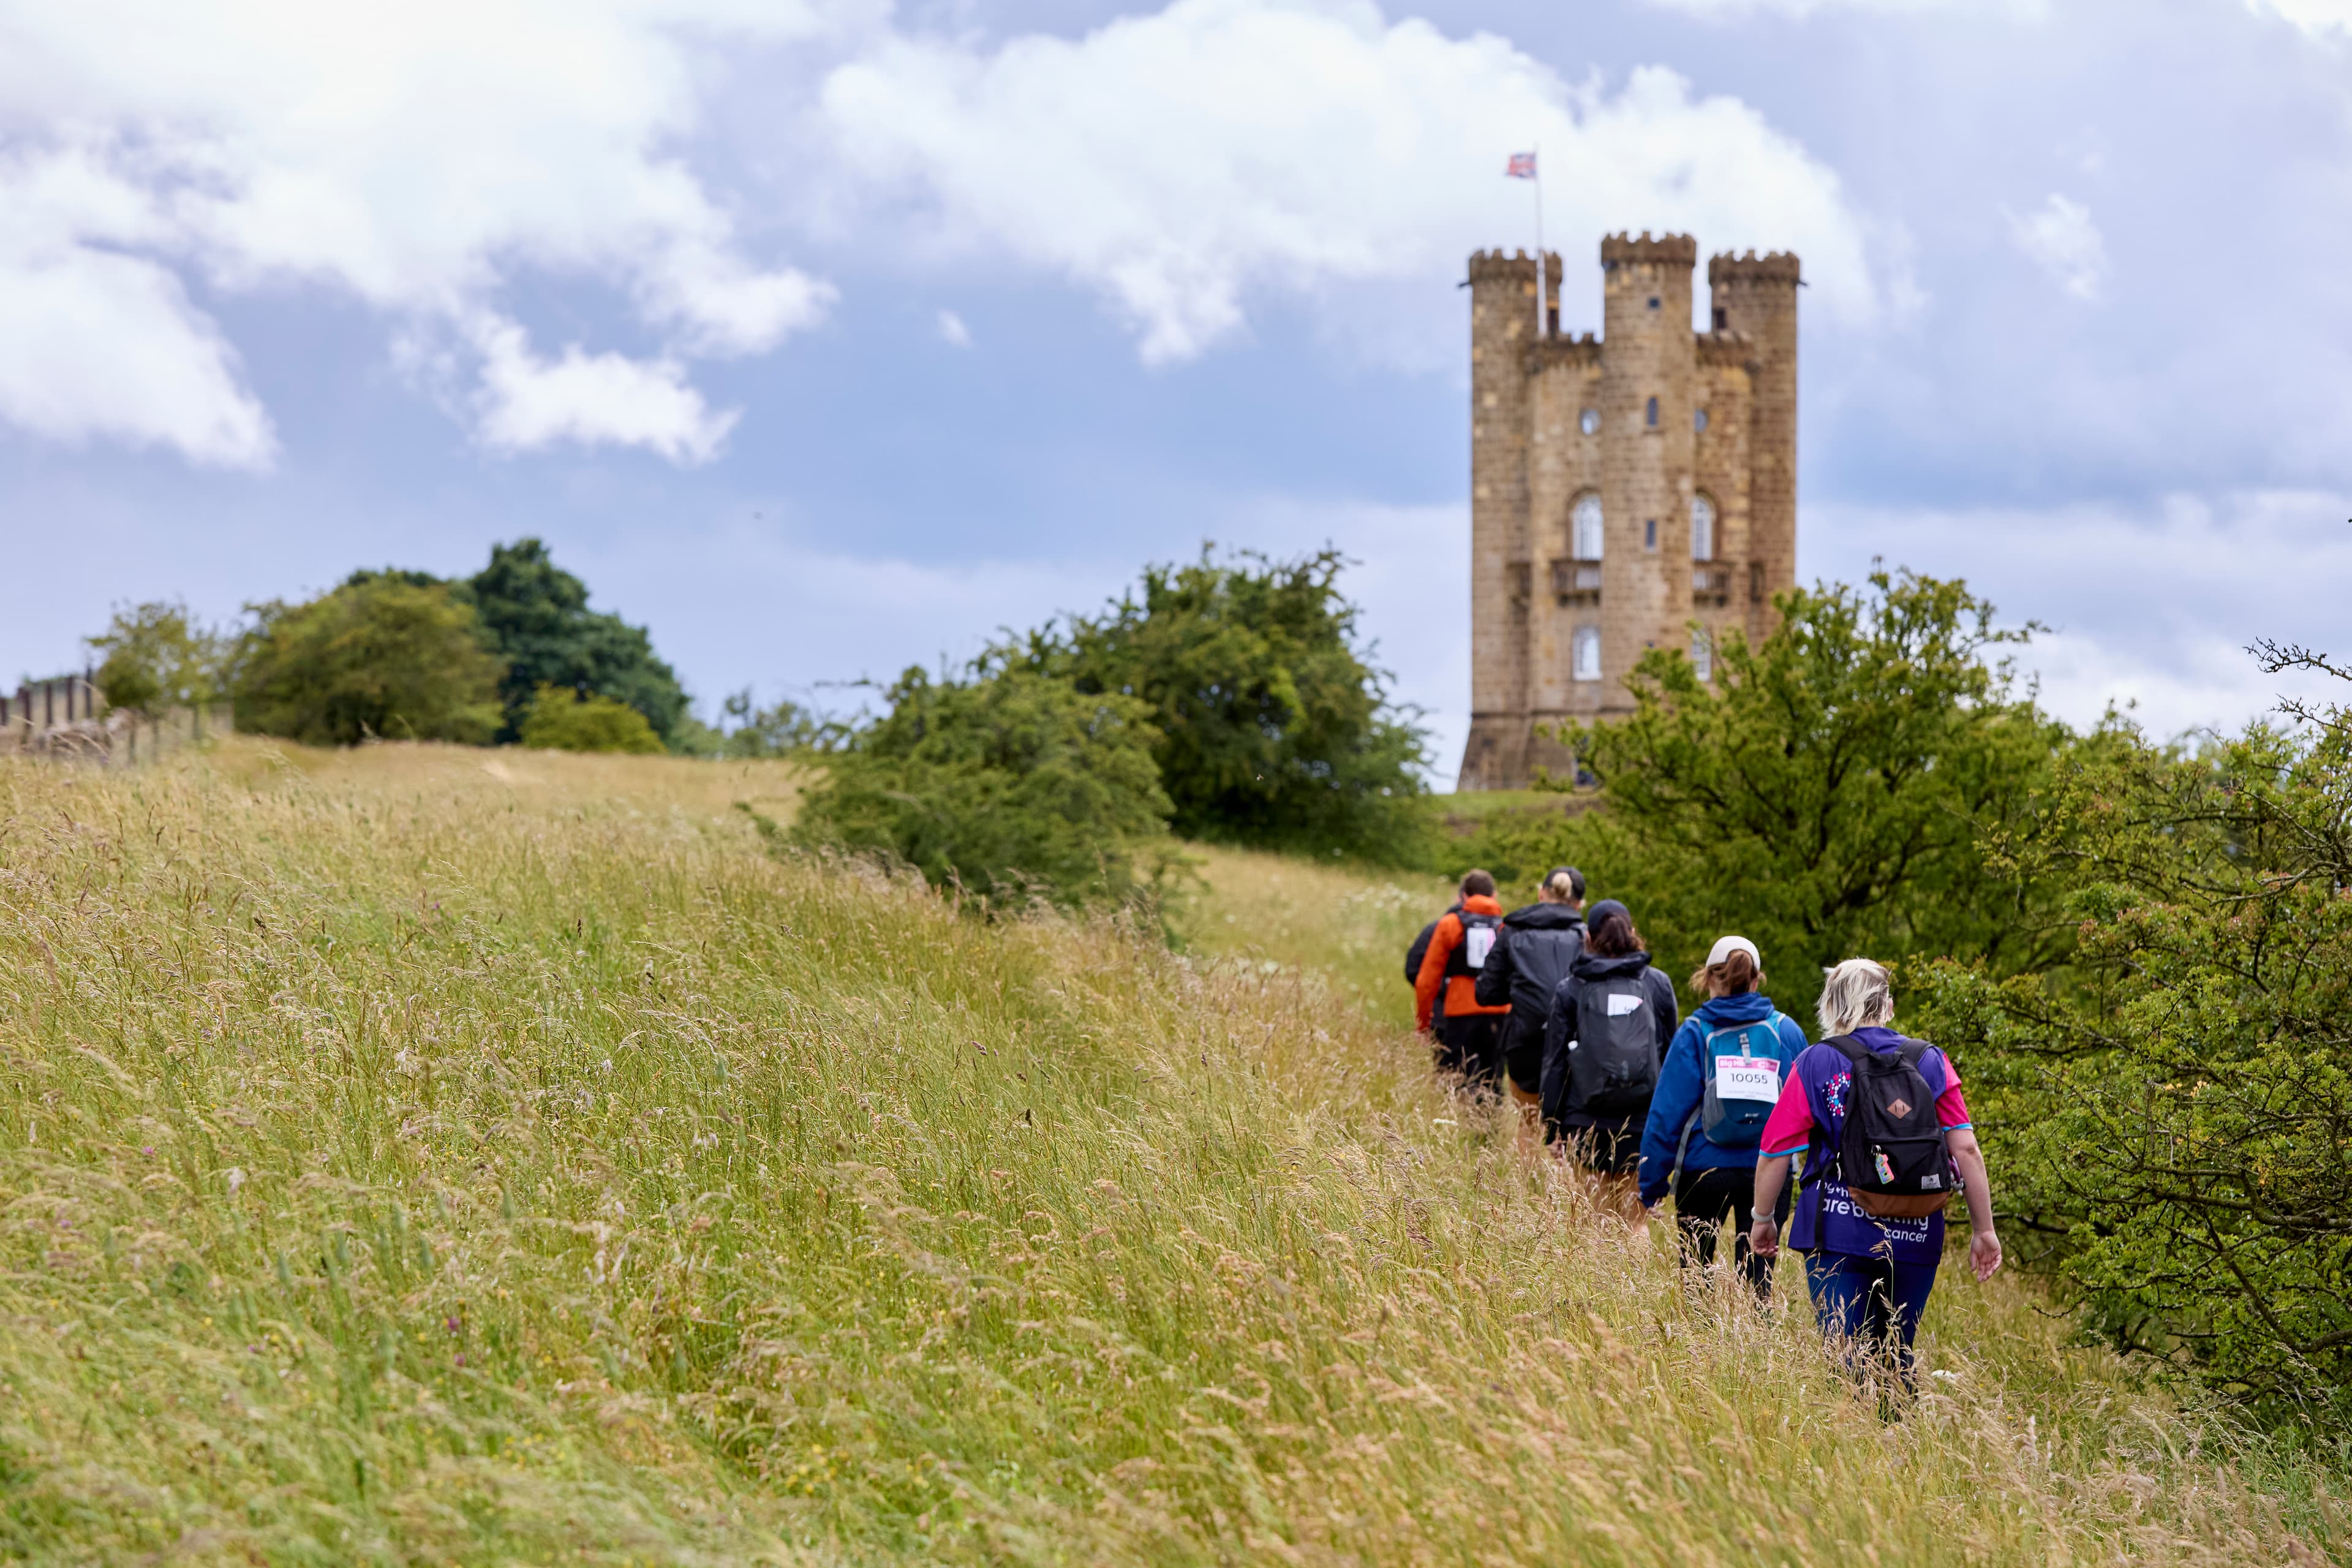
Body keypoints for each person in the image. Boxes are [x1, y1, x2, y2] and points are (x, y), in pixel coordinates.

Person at [1749, 959, 2002, 1391]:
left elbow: (1775, 1153)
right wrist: (1984, 1229)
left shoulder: (1816, 1062)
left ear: (1831, 1006)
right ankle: (1899, 1445)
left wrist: (1762, 1218)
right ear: (1888, 1005)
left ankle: (1856, 1444)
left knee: (1845, 1356)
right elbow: (1966, 1149)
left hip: (1837, 1228)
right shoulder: (1930, 1061)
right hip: (1918, 1230)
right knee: (1896, 1352)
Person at [1635, 935, 1808, 1295]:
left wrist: (1652, 1183)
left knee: (1696, 1276)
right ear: (1757, 980)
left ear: (1710, 978)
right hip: (1769, 1170)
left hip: (1704, 1169)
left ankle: (1698, 1347)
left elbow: (1666, 1114)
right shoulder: (1786, 1031)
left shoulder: (1695, 1032)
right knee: (1758, 1282)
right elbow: (1808, 1110)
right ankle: (1753, 1347)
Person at [1540, 899, 1676, 1216]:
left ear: (1588, 937)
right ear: (1633, 933)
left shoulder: (1571, 988)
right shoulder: (1657, 984)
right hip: (1642, 1123)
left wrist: (1552, 1126)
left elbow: (1555, 1062)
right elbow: (1671, 1059)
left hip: (1585, 1120)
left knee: (1595, 1223)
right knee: (1636, 1224)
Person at [1475, 866, 1586, 1143]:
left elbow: (1485, 991)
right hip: (1575, 1044)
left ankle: (1526, 1186)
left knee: (1528, 1123)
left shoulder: (1512, 930)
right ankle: (1563, 1187)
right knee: (1568, 1130)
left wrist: (1519, 992)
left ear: (1541, 893)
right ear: (1580, 904)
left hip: (1525, 1042)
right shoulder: (1587, 937)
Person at [1414, 870, 1510, 1088]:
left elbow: (1426, 981)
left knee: (1455, 1080)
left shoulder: (1450, 925)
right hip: (1498, 1015)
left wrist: (1424, 1023)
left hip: (1460, 1015)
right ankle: (1490, 1121)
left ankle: (1455, 1120)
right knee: (1493, 1082)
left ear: (1464, 896)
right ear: (1494, 896)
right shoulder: (1506, 927)